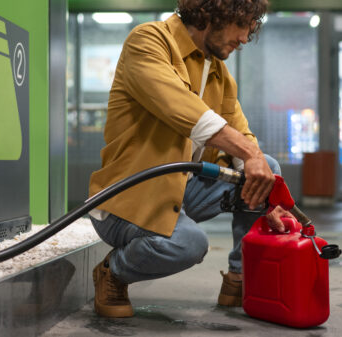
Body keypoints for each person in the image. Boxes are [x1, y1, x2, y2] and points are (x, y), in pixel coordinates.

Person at [87, 0, 293, 318]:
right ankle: (112, 271)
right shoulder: (148, 41)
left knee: (268, 168)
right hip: (128, 199)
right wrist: (248, 153)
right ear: (215, 13)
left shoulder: (219, 75)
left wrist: (268, 193)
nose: (244, 38)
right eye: (242, 25)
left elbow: (241, 133)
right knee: (189, 245)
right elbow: (182, 111)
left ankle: (239, 278)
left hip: (183, 190)